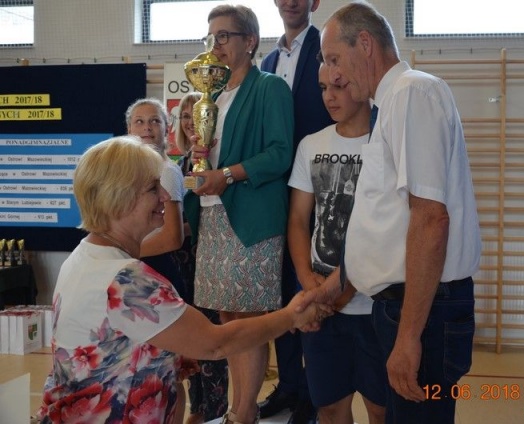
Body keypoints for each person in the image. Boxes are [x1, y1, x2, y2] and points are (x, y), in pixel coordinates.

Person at [35, 136, 329, 424]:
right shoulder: (125, 279)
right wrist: (291, 316)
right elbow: (215, 344)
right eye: (153, 188)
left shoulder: (84, 256)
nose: (165, 196)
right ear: (119, 198)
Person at [317, 2, 481, 423]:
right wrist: (330, 288)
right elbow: (389, 225)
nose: (332, 75)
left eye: (334, 59)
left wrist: (409, 337)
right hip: (404, 306)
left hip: (421, 309)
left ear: (365, 43)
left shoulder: (411, 93)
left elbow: (430, 218)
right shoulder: (390, 102)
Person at [189, 5, 294, 424]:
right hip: (213, 216)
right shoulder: (212, 95)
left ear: (249, 41)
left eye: (223, 36)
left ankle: (244, 411)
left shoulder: (269, 87)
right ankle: (239, 406)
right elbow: (211, 156)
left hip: (251, 218)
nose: (214, 44)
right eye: (210, 37)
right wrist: (198, 157)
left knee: (248, 317)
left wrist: (228, 175)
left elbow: (280, 153)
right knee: (228, 318)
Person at [288, 62, 386, 424]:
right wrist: (309, 283)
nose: (329, 96)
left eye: (339, 86)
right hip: (322, 304)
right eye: (323, 87)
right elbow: (298, 221)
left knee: (381, 408)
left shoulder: (384, 143)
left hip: (374, 305)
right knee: (329, 408)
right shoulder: (311, 144)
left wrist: (339, 291)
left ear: (361, 84)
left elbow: (385, 232)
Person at [260, 2, 333, 422]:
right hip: (274, 192)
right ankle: (288, 384)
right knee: (279, 292)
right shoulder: (267, 61)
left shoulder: (328, 47)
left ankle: (312, 391)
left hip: (317, 188)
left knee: (312, 286)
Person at [174, 92, 229, 424]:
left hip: (206, 259)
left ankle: (214, 413)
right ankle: (196, 408)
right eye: (184, 116)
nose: (189, 122)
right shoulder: (178, 165)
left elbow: (199, 217)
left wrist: (178, 228)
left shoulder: (214, 162)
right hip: (181, 266)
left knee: (210, 340)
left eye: (196, 116)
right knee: (188, 343)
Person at [125, 97, 187, 301]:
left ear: (166, 128)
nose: (147, 127)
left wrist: (122, 250)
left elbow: (172, 237)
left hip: (159, 267)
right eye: (139, 121)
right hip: (138, 264)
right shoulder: (132, 171)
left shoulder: (166, 171)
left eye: (155, 121)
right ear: (129, 129)